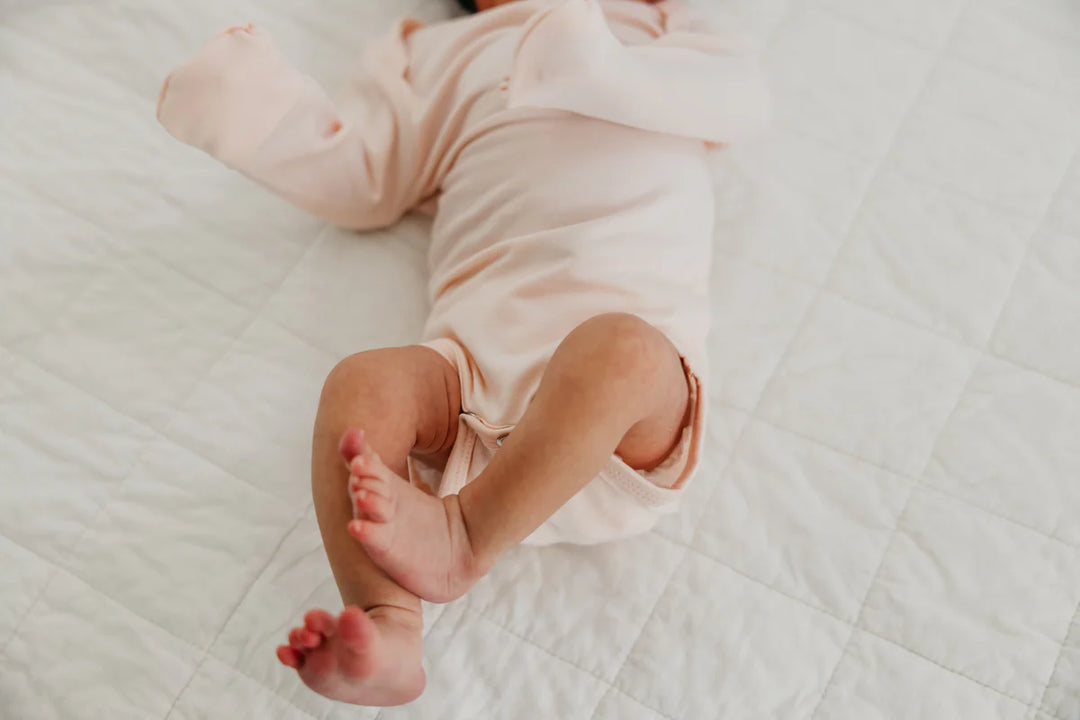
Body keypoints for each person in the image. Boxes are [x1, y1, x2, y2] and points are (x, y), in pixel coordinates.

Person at [157, 0, 766, 705]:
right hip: (472, 380)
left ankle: (467, 536)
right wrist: (253, 112)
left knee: (620, 348)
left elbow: (740, 104)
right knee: (362, 385)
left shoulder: (662, 32)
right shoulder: (441, 52)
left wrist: (598, 63)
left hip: (622, 421)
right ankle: (387, 625)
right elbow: (368, 178)